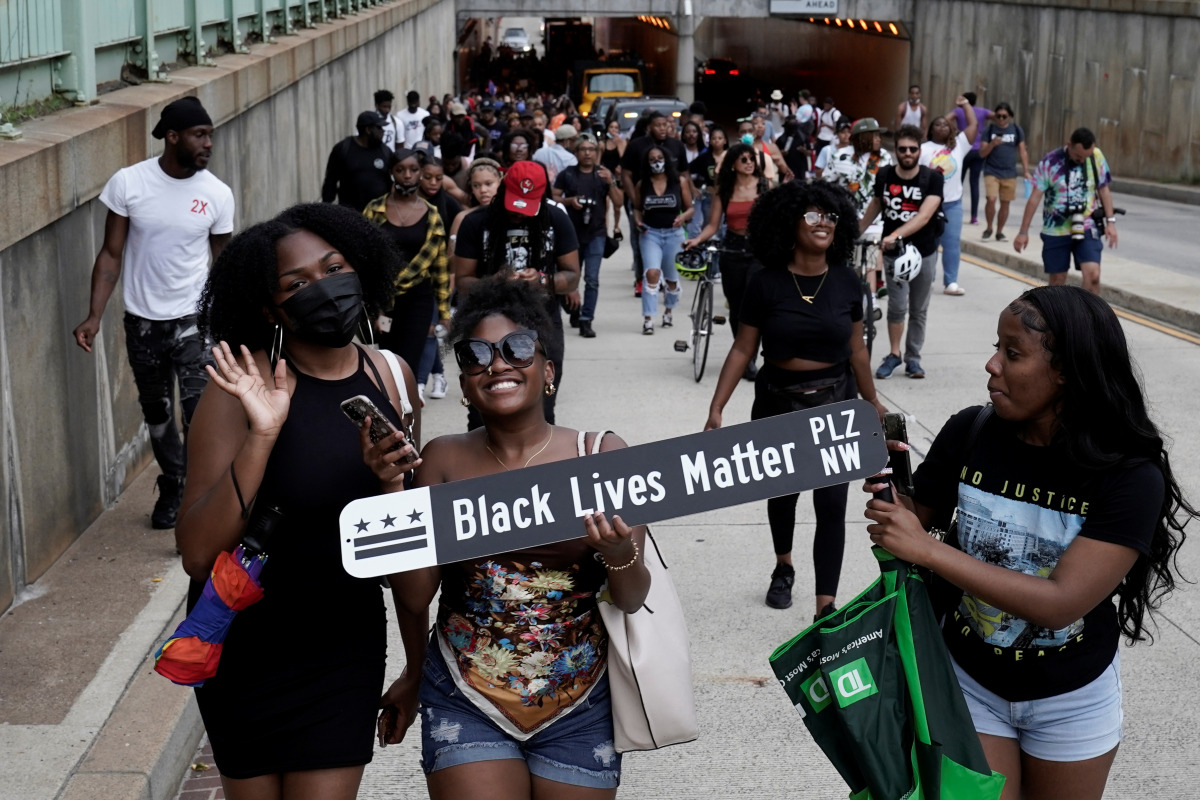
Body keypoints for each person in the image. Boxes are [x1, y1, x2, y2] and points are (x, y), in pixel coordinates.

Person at [864, 285, 1192, 800]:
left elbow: (1061, 603)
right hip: (969, 683)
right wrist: (888, 488)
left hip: (1072, 697)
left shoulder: (1129, 476)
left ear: (1068, 372)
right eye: (997, 347)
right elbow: (909, 523)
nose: (992, 365)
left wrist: (927, 550)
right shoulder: (971, 432)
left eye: (1012, 353)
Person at [179, 203, 423, 798]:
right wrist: (262, 433)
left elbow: (410, 545)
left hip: (344, 642)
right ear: (270, 307)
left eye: (335, 268)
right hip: (249, 646)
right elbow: (196, 551)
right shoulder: (241, 386)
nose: (326, 288)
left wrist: (416, 670)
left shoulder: (392, 377)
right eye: (298, 283)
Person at [379, 278, 650, 799]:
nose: (497, 363)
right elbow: (413, 597)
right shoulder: (442, 459)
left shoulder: (602, 456)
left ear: (548, 371)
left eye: (517, 349)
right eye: (475, 355)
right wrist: (393, 488)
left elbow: (633, 597)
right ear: (463, 383)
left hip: (581, 701)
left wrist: (619, 554)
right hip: (464, 693)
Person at [705, 181, 887, 615]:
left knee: (831, 503)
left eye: (829, 216)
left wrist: (873, 402)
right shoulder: (765, 282)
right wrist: (717, 407)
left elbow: (858, 350)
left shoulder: (849, 283)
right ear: (790, 222)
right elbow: (743, 349)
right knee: (783, 495)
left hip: (835, 402)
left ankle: (827, 604)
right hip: (776, 400)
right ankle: (783, 566)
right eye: (812, 215)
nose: (822, 223)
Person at [73, 96, 234, 529]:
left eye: (210, 135)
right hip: (142, 323)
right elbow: (111, 254)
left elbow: (225, 264)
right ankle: (174, 482)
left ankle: (200, 496)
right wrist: (93, 315)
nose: (208, 144)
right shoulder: (130, 183)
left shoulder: (216, 194)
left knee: (199, 411)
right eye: (200, 135)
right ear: (172, 136)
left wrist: (229, 323)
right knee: (158, 414)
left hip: (193, 322)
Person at [452, 161, 581, 426]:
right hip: (485, 326)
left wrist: (543, 281)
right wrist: (494, 282)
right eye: (514, 204)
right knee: (482, 413)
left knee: (542, 408)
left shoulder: (556, 219)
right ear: (502, 188)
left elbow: (572, 276)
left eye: (527, 205)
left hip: (541, 323)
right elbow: (463, 281)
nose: (519, 213)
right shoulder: (475, 222)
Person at [859, 124, 944, 380]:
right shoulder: (884, 175)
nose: (907, 153)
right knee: (897, 307)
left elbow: (925, 215)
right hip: (895, 254)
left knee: (918, 309)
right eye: (902, 149)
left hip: (924, 252)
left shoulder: (932, 178)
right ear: (895, 150)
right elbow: (876, 204)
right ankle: (894, 355)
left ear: (919, 150)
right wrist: (857, 230)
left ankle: (913, 359)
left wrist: (895, 234)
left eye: (912, 149)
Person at [361, 149, 451, 385]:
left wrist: (444, 314)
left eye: (413, 170)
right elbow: (363, 261)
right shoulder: (374, 209)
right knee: (387, 360)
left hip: (418, 300)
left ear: (421, 173)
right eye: (400, 170)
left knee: (408, 364)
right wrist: (371, 308)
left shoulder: (431, 215)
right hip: (384, 301)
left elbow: (440, 270)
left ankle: (407, 417)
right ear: (391, 173)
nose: (407, 176)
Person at [685, 141, 766, 376]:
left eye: (752, 159)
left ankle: (750, 358)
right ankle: (742, 353)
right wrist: (697, 240)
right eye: (744, 159)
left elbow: (774, 218)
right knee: (737, 307)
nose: (750, 163)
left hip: (758, 249)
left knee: (755, 304)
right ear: (733, 164)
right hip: (732, 247)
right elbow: (713, 225)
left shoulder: (763, 186)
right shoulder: (724, 190)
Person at [1014, 128, 1118, 295]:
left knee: (1093, 276)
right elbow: (1034, 198)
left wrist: (1110, 223)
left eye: (1085, 157)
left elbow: (1104, 189)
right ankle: (1058, 319)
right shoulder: (1050, 162)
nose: (1081, 161)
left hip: (1087, 225)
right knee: (1057, 281)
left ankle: (1088, 319)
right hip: (1056, 229)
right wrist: (1023, 232)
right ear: (1068, 145)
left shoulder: (1096, 156)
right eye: (1078, 157)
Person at [554, 134, 621, 338]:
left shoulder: (603, 175)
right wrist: (570, 201)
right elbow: (553, 196)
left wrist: (611, 182)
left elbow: (618, 202)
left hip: (596, 234)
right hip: (571, 235)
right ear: (576, 153)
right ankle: (574, 310)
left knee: (592, 279)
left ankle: (586, 319)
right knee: (569, 277)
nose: (587, 153)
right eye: (583, 149)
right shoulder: (567, 174)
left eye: (591, 149)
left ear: (597, 152)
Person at [921, 95, 979, 296]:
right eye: (938, 124)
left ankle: (951, 282)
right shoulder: (923, 149)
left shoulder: (959, 146)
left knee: (951, 243)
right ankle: (926, 280)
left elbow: (973, 124)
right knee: (929, 243)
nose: (943, 127)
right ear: (931, 130)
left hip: (952, 204)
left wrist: (965, 106)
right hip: (928, 204)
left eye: (946, 124)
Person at [632, 143, 693, 335]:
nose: (656, 162)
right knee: (651, 273)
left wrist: (682, 217)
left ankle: (668, 311)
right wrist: (638, 222)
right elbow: (636, 208)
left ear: (666, 159)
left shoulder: (679, 181)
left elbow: (690, 207)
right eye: (651, 160)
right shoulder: (643, 184)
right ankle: (648, 319)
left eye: (659, 158)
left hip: (674, 235)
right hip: (651, 234)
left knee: (672, 279)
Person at [322, 111, 391, 212]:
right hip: (350, 215)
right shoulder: (343, 149)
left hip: (379, 215)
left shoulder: (385, 151)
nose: (383, 131)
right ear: (368, 130)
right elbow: (330, 182)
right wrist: (325, 209)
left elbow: (392, 182)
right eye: (379, 128)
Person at [980, 102, 1029, 242]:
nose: (1001, 119)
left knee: (1005, 203)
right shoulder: (988, 130)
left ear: (1010, 116)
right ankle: (989, 227)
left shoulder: (1017, 130)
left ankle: (999, 231)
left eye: (1004, 116)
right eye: (998, 116)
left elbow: (1022, 151)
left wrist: (1026, 170)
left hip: (1010, 172)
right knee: (991, 198)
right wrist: (992, 144)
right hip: (991, 170)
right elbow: (982, 153)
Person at [955, 92, 992, 225]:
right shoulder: (982, 111)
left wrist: (957, 130)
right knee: (974, 183)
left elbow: (947, 118)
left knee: (958, 181)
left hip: (964, 150)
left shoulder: (958, 111)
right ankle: (974, 216)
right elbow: (997, 117)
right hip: (978, 150)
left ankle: (955, 210)